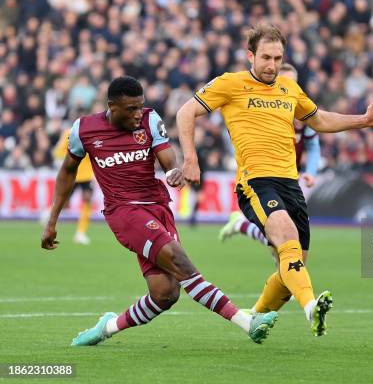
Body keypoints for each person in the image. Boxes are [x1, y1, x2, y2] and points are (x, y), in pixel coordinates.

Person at [176, 24, 373, 336]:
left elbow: (319, 119)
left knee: (292, 266)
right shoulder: (231, 83)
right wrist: (190, 159)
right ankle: (311, 308)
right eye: (265, 57)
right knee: (287, 237)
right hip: (256, 182)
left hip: (291, 185)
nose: (272, 65)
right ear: (250, 55)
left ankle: (255, 318)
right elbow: (186, 111)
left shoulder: (289, 89)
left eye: (277, 58)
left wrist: (363, 120)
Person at [41, 76, 278, 346]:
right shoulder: (84, 129)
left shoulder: (150, 120)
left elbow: (166, 158)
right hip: (124, 213)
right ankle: (247, 322)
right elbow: (66, 174)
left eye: (140, 106)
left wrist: (174, 172)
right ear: (112, 107)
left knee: (165, 293)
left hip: (158, 208)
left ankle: (105, 327)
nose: (137, 113)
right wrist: (52, 221)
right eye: (131, 109)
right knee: (180, 261)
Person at [218, 63, 321, 251]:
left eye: (292, 82)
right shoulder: (262, 108)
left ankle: (241, 225)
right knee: (281, 239)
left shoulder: (301, 110)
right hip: (261, 176)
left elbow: (313, 144)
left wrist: (311, 172)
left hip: (289, 177)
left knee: (289, 240)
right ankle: (292, 278)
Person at [48, 118, 96, 245]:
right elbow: (58, 151)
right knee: (64, 202)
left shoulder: (93, 133)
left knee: (87, 199)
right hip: (73, 173)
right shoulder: (69, 133)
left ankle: (80, 233)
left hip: (87, 175)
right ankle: (47, 216)